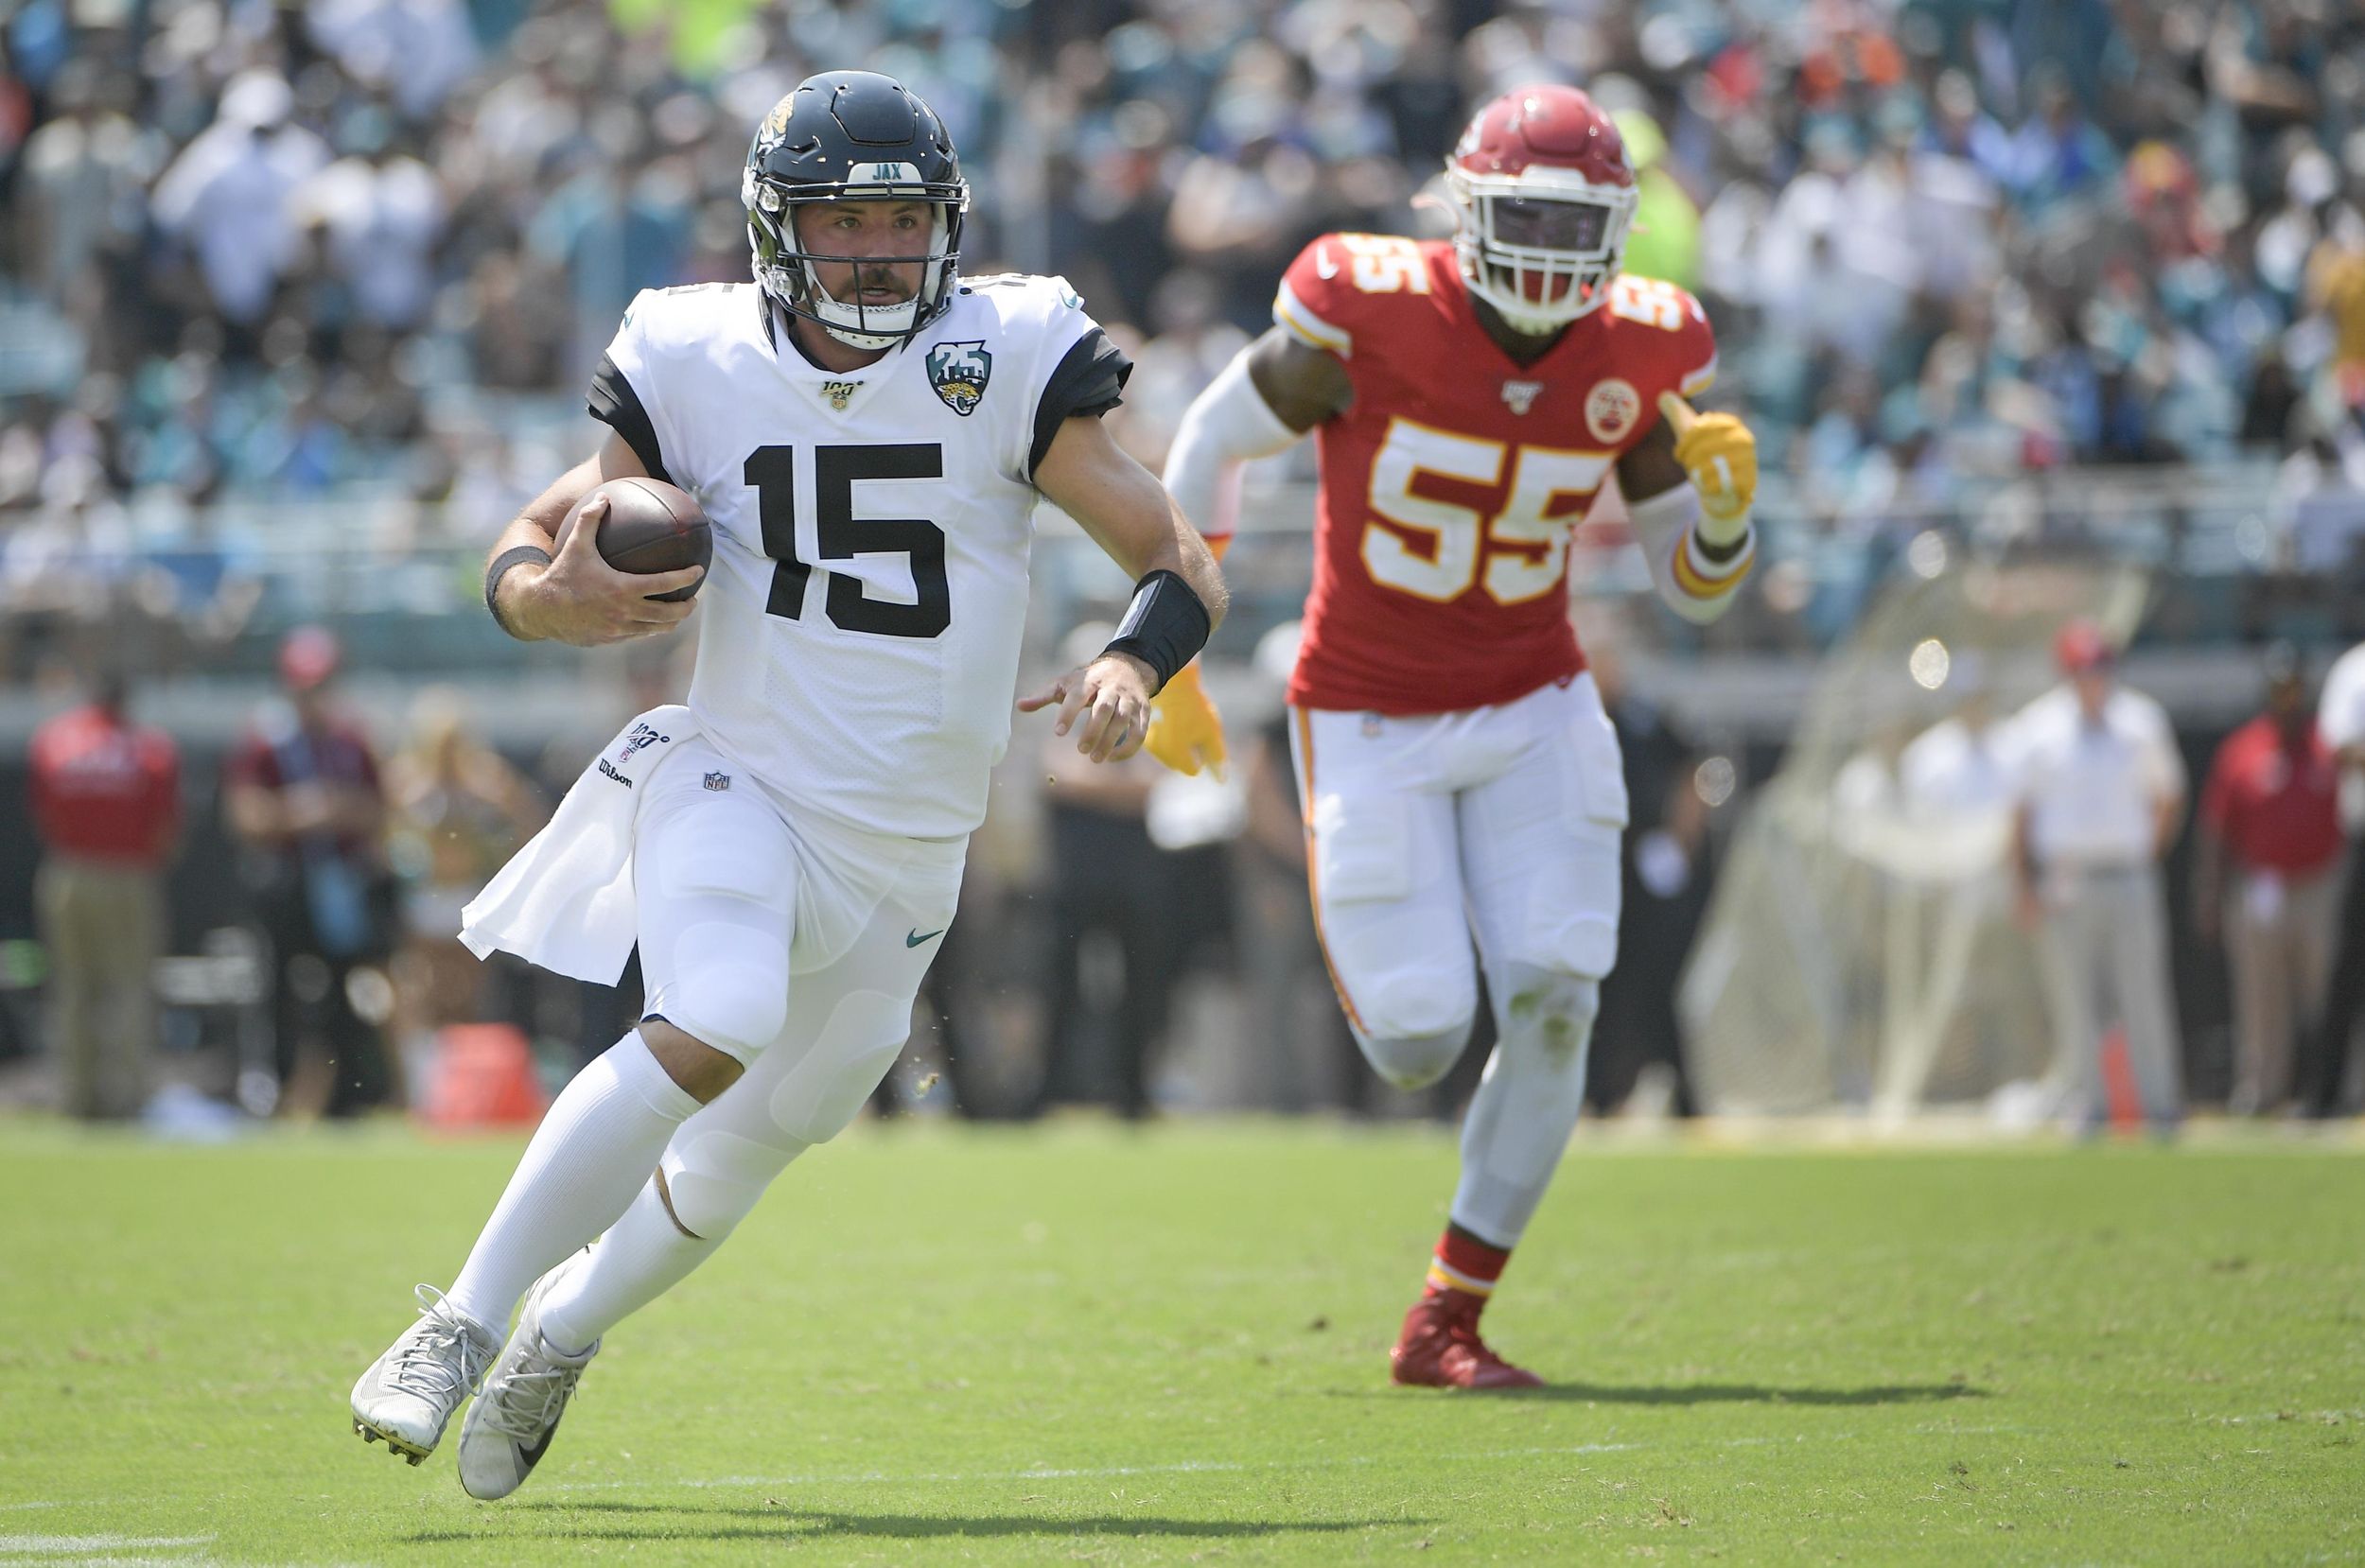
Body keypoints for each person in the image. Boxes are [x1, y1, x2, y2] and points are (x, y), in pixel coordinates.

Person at [348, 72, 1226, 1498]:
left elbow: (1174, 554)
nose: (881, 249)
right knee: (723, 1011)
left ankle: (560, 1331)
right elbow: (539, 534)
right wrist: (538, 601)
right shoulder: (689, 352)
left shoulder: (1003, 348)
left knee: (774, 1132)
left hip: (911, 849)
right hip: (733, 776)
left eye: (903, 218)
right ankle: (460, 1318)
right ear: (777, 229)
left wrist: (1133, 663)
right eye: (847, 220)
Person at [1158, 85, 1757, 1387]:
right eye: (1523, 213)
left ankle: (1447, 1320)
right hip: (1366, 706)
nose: (1546, 244)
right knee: (1419, 1034)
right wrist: (1171, 640)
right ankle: (1426, 1054)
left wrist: (1720, 518)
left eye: (1574, 220)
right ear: (1465, 209)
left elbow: (1693, 585)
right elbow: (1210, 435)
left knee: (1555, 998)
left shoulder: (1645, 344)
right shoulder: (1365, 306)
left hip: (1533, 697)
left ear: (1620, 230)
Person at [2006, 620, 2187, 1133]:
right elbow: (2021, 815)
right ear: (2065, 673)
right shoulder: (2037, 727)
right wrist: (2024, 885)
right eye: (2083, 669)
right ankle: (2090, 1104)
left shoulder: (2140, 720)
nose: (2093, 678)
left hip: (2127, 873)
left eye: (2100, 667)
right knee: (2074, 999)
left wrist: (2144, 854)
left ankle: (2161, 1105)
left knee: (2143, 993)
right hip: (2067, 878)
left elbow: (2168, 797)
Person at [224, 626, 395, 1119]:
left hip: (341, 885)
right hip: (286, 883)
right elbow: (248, 818)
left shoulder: (351, 740)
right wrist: (306, 813)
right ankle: (272, 1094)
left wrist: (338, 810)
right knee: (278, 988)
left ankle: (345, 1097)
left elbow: (378, 809)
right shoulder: (264, 742)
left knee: (344, 988)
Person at [2192, 645, 2341, 1115]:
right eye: (2279, 687)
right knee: (2261, 998)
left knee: (2329, 994)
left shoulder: (2329, 745)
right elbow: (2217, 829)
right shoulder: (2243, 749)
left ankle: (2333, 1090)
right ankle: (2262, 1089)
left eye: (2293, 686)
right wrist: (2210, 894)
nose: (2287, 696)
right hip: (2259, 887)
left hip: (2320, 885)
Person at [26, 667, 180, 1120]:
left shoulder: (55, 741)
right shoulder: (150, 749)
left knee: (73, 988)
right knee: (130, 986)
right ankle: (128, 1099)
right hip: (129, 872)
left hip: (69, 870)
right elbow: (166, 829)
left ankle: (77, 1099)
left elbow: (43, 817)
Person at [2306, 636, 2365, 1116]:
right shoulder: (2354, 669)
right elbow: (2339, 745)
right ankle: (2325, 1094)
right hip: (2362, 839)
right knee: (2346, 967)